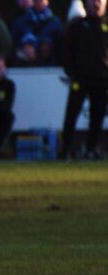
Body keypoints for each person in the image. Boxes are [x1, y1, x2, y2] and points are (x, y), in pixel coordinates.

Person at [60, 0, 107, 159]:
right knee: (72, 113)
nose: (97, 4)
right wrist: (72, 72)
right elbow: (67, 51)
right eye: (94, 1)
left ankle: (91, 149)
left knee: (98, 115)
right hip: (80, 78)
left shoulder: (106, 26)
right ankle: (66, 148)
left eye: (100, 1)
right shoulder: (78, 26)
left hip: (102, 79)